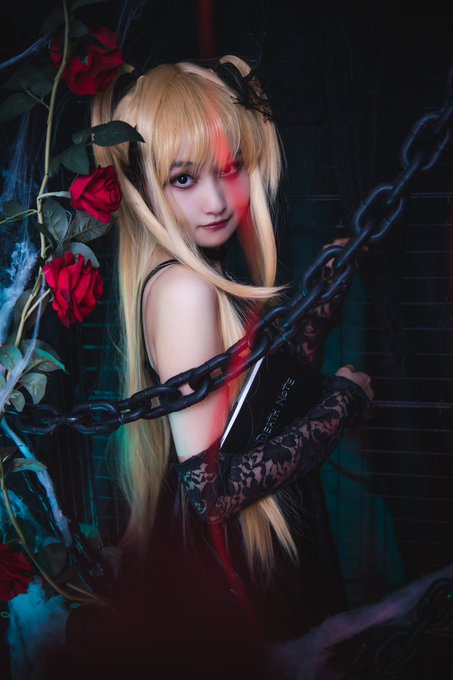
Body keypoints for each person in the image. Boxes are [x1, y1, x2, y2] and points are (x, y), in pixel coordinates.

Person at [79, 55, 374, 678]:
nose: (216, 200)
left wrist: (318, 311)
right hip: (233, 571)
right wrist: (342, 404)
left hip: (254, 550)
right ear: (144, 184)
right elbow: (213, 492)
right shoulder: (185, 289)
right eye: (184, 178)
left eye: (229, 169)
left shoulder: (193, 277)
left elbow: (252, 415)